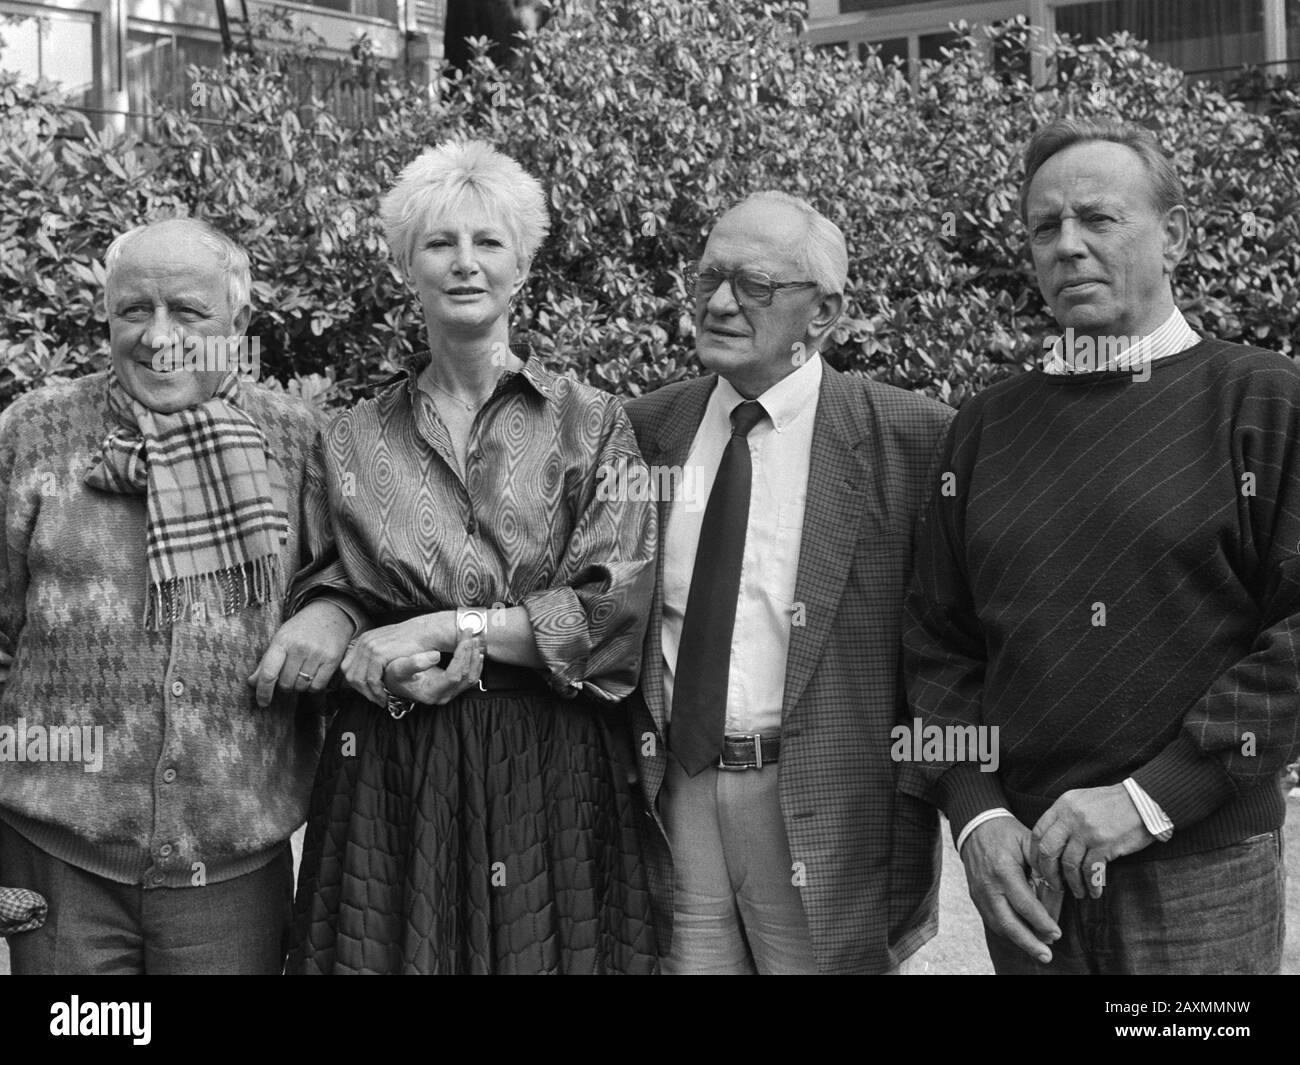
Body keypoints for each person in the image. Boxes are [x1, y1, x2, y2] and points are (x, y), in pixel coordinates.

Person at [903, 117, 1300, 975]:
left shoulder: (1262, 402)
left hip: (1202, 873)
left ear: (1177, 235)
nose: (1068, 245)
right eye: (1045, 228)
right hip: (1029, 872)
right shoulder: (982, 428)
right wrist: (975, 815)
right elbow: (936, 648)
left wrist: (1150, 799)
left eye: (1098, 218)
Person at [282, 139, 658, 974]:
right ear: (404, 266)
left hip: (547, 759)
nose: (464, 263)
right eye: (439, 244)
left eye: (488, 243)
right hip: (392, 762)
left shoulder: (592, 425)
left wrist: (451, 624)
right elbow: (325, 592)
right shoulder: (347, 438)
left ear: (522, 267)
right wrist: (371, 658)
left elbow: (609, 614)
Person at [0, 218, 358, 974]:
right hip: (57, 867)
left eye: (188, 312)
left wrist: (335, 611)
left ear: (240, 323)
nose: (158, 336)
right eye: (135, 309)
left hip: (229, 877)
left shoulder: (297, 446)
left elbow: (356, 583)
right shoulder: (34, 433)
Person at [624, 191, 954, 974]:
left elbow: (953, 651)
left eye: (756, 285)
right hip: (680, 793)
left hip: (828, 803)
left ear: (824, 312)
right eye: (707, 278)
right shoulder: (645, 430)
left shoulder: (916, 438)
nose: (720, 301)